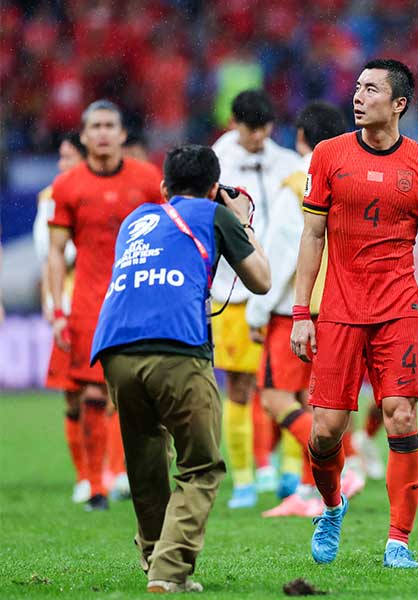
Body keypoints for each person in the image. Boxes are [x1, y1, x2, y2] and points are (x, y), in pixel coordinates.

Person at [290, 58, 418, 569]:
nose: (358, 97)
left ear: (399, 103)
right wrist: (302, 312)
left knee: (401, 416)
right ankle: (333, 506)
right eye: (357, 88)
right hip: (338, 311)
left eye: (370, 90)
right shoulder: (329, 155)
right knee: (324, 432)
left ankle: (398, 541)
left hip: (398, 311)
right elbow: (312, 236)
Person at [91, 144, 270, 593]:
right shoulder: (215, 215)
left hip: (115, 348)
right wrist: (242, 220)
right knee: (200, 466)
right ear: (214, 188)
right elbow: (261, 280)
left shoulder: (137, 219)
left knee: (146, 460)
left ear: (163, 185)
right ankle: (169, 573)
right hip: (177, 347)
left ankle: (155, 560)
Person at [245, 100, 363, 519]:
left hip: (297, 309)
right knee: (318, 403)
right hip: (342, 306)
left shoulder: (299, 182)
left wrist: (257, 313)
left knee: (276, 399)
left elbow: (281, 254)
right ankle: (310, 491)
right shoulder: (351, 175)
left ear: (299, 138)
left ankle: (342, 465)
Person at [47, 100, 163, 511]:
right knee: (92, 390)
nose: (101, 133)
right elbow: (56, 253)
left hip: (141, 300)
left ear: (121, 133)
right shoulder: (67, 186)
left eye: (109, 125)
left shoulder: (148, 179)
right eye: (94, 126)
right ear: (83, 135)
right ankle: (95, 484)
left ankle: (130, 475)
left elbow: (170, 236)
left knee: (139, 392)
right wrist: (58, 309)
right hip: (89, 304)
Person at [211, 89, 306, 509]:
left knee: (291, 386)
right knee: (240, 386)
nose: (258, 137)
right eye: (251, 130)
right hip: (232, 290)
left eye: (265, 129)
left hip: (281, 292)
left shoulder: (285, 161)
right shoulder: (215, 165)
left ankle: (289, 473)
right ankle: (245, 479)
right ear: (234, 123)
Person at [33, 133, 87, 503]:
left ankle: (111, 473)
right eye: (60, 157)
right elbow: (47, 253)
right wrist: (52, 306)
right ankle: (85, 476)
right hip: (69, 306)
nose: (60, 166)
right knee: (73, 396)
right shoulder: (50, 198)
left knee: (112, 395)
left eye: (67, 158)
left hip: (103, 303)